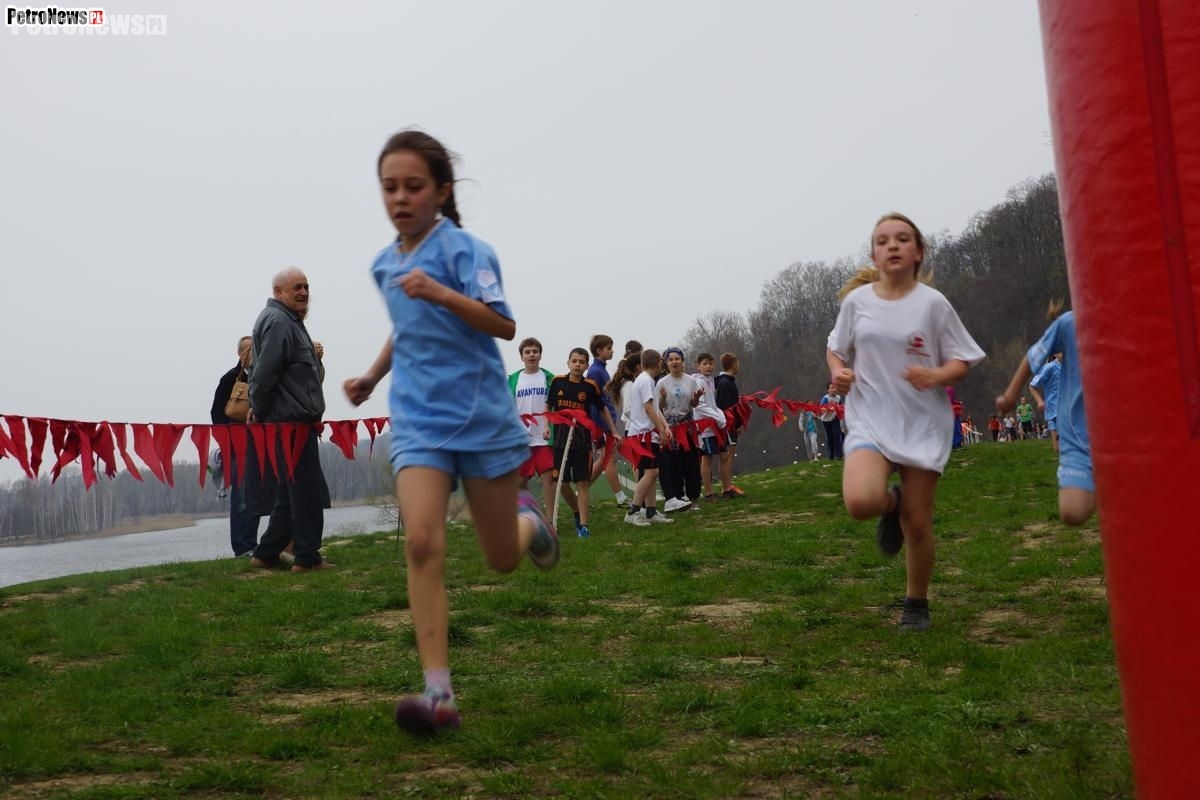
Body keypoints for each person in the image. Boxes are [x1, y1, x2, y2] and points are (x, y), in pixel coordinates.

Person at [342, 130, 558, 736]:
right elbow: (406, 328)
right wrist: (371, 376)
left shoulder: (468, 252)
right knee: (420, 542)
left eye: (413, 186)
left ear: (440, 191)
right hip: (418, 421)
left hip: (481, 418)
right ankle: (438, 693)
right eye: (389, 187)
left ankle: (530, 524)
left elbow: (503, 324)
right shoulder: (384, 265)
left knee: (501, 559)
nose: (399, 197)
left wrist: (439, 290)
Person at [826, 213, 985, 632]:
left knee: (917, 523)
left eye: (902, 239)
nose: (892, 245)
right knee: (861, 502)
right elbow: (836, 349)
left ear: (918, 252)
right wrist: (839, 373)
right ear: (874, 255)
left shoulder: (933, 304)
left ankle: (916, 604)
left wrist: (936, 374)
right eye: (883, 241)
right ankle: (889, 503)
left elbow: (962, 360)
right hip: (870, 417)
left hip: (922, 422)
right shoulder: (857, 304)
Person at [247, 267, 334, 574]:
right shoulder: (279, 322)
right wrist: (258, 409)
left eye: (306, 286)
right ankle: (307, 558)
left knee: (290, 491)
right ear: (278, 292)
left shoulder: (290, 322)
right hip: (290, 425)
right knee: (307, 491)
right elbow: (264, 373)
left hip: (294, 422)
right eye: (296, 287)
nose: (304, 292)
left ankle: (266, 553)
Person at [997, 305, 1093, 524]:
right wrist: (1011, 396)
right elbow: (1032, 361)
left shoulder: (1133, 318)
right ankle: (1075, 474)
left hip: (1119, 436)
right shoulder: (1068, 325)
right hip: (1074, 432)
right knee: (1072, 512)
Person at [549, 347, 622, 537]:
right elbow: (548, 406)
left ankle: (583, 525)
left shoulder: (590, 386)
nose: (577, 365)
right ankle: (575, 511)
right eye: (574, 361)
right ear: (568, 363)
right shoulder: (557, 382)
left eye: (581, 362)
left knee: (582, 483)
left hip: (582, 442)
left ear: (586, 365)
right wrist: (546, 427)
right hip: (560, 441)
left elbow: (603, 409)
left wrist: (614, 431)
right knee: (561, 482)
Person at [210, 335, 261, 557]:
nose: (251, 354)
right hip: (237, 447)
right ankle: (241, 547)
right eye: (247, 350)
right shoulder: (230, 378)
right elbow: (216, 414)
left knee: (256, 496)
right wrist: (227, 442)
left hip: (259, 445)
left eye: (255, 349)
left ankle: (252, 543)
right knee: (240, 498)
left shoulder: (262, 377)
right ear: (239, 353)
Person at [623, 349, 674, 526]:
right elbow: (648, 408)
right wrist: (660, 430)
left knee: (651, 472)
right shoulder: (645, 381)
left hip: (646, 434)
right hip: (642, 434)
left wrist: (665, 426)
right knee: (651, 472)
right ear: (658, 363)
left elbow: (655, 408)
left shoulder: (647, 381)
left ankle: (651, 511)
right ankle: (633, 511)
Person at [507, 337, 555, 508]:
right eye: (527, 352)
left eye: (535, 351)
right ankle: (530, 513)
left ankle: (550, 520)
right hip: (522, 438)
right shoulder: (513, 379)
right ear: (522, 356)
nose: (531, 355)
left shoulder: (549, 378)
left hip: (544, 436)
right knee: (520, 481)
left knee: (547, 479)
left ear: (540, 355)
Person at [586, 334, 630, 508]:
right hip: (601, 422)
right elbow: (595, 401)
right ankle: (620, 497)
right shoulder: (595, 372)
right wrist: (604, 425)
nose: (612, 351)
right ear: (599, 350)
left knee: (604, 459)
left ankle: (581, 490)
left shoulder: (602, 369)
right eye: (609, 348)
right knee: (610, 458)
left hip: (607, 420)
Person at [658, 347, 703, 511]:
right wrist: (662, 398)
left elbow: (693, 404)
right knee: (674, 463)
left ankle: (693, 497)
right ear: (666, 363)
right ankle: (677, 497)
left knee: (691, 462)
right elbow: (658, 408)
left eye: (677, 359)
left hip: (687, 424)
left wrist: (696, 399)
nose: (674, 362)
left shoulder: (690, 381)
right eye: (671, 360)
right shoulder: (662, 383)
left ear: (683, 361)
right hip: (671, 426)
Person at [691, 352, 725, 499]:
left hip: (714, 425)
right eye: (704, 364)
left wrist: (719, 414)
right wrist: (715, 416)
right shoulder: (699, 382)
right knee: (707, 458)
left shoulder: (710, 380)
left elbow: (712, 403)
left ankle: (726, 488)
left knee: (723, 454)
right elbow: (700, 405)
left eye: (710, 363)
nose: (708, 366)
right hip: (704, 427)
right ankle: (709, 492)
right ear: (698, 366)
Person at [714, 353, 746, 499]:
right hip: (729, 426)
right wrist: (737, 424)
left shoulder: (726, 381)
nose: (738, 366)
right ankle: (727, 487)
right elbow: (728, 409)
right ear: (733, 364)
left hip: (729, 425)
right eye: (737, 363)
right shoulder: (725, 383)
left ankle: (728, 485)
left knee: (727, 456)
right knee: (728, 457)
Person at [1029, 352, 1063, 452]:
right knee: (1058, 449)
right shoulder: (1049, 368)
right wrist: (1039, 401)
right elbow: (1032, 386)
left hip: (1069, 408)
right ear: (1055, 353)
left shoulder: (1072, 366)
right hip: (1054, 409)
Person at [818, 382, 844, 460]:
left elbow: (841, 408)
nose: (834, 389)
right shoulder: (826, 398)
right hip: (826, 420)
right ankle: (831, 455)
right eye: (832, 388)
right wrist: (825, 409)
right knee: (830, 438)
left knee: (837, 436)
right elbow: (821, 408)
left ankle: (839, 455)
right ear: (828, 390)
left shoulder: (838, 398)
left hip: (835, 419)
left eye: (835, 387)